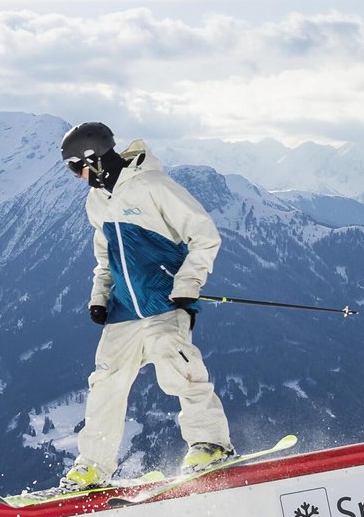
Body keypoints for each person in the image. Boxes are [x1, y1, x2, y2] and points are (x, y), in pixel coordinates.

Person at [58, 121, 235, 490]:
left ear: (97, 158)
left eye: (79, 167)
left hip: (164, 299)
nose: (78, 177)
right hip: (124, 309)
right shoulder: (97, 201)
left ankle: (210, 442)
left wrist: (188, 284)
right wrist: (99, 296)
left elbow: (204, 236)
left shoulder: (153, 186)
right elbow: (105, 256)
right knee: (106, 382)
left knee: (178, 367)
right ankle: (93, 466)